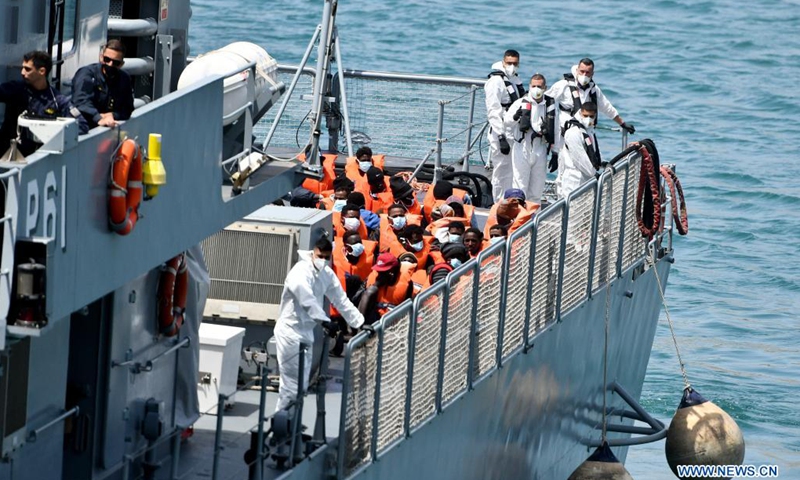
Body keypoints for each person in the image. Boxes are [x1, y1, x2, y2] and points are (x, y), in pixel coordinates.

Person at [273, 237, 365, 411]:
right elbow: (305, 298)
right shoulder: (300, 271)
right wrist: (324, 320)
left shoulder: (327, 274)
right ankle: (282, 425)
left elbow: (340, 299)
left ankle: (292, 427)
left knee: (302, 385)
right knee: (291, 385)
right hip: (290, 333)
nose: (322, 260)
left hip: (306, 333)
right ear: (312, 253)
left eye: (326, 257)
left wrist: (360, 322)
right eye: (320, 256)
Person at [546, 58, 633, 171]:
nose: (584, 75)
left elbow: (607, 107)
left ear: (592, 73)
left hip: (586, 131)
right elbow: (546, 101)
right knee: (566, 166)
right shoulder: (563, 85)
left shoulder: (593, 89)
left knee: (587, 162)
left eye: (588, 72)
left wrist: (622, 123)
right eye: (582, 71)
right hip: (566, 132)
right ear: (577, 70)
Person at [0, 51, 88, 157]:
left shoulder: (57, 100)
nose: (22, 72)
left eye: (27, 69)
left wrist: (51, 133)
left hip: (38, 158)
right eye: (22, 68)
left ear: (42, 71)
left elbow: (82, 126)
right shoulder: (15, 89)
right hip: (8, 155)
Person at [504, 74, 556, 203]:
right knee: (519, 187)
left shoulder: (550, 105)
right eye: (534, 86)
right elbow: (506, 122)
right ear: (529, 87)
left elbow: (556, 129)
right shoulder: (520, 103)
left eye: (539, 86)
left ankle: (534, 220)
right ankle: (518, 220)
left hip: (540, 148)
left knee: (537, 190)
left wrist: (556, 152)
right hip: (522, 147)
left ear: (545, 88)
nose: (536, 89)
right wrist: (515, 117)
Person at [485, 49, 525, 202]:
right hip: (500, 132)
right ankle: (498, 203)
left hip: (514, 130)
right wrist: (500, 136)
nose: (512, 66)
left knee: (513, 170)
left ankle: (511, 201)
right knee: (501, 170)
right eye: (509, 63)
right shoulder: (495, 82)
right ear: (503, 62)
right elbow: (493, 110)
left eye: (515, 63)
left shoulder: (514, 79)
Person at [72, 39, 135, 129]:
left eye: (115, 62)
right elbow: (81, 102)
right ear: (101, 57)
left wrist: (113, 115)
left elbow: (127, 109)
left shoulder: (124, 79)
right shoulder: (86, 74)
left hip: (110, 125)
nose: (110, 64)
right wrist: (98, 117)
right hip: (83, 127)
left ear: (121, 64)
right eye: (107, 59)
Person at [555, 102, 600, 199]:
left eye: (591, 116)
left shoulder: (589, 131)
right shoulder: (573, 132)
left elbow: (593, 152)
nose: (588, 119)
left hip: (587, 177)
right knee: (573, 210)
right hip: (574, 178)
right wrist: (595, 174)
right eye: (585, 115)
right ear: (580, 113)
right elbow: (579, 158)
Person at [360, 253, 415, 323]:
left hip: (393, 323)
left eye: (382, 272)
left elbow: (407, 306)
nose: (378, 275)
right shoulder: (372, 280)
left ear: (392, 272)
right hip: (372, 319)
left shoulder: (407, 284)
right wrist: (375, 286)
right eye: (378, 271)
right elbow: (363, 299)